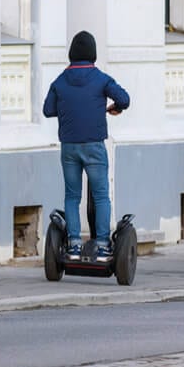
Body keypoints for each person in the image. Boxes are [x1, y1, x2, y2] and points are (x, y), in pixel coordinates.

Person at [42, 31, 130, 263]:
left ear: (71, 54)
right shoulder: (100, 78)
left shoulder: (60, 81)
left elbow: (48, 110)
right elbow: (125, 99)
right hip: (94, 146)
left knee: (72, 196)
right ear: (93, 54)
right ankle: (102, 246)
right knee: (101, 195)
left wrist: (69, 106)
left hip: (69, 146)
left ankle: (73, 245)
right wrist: (112, 107)